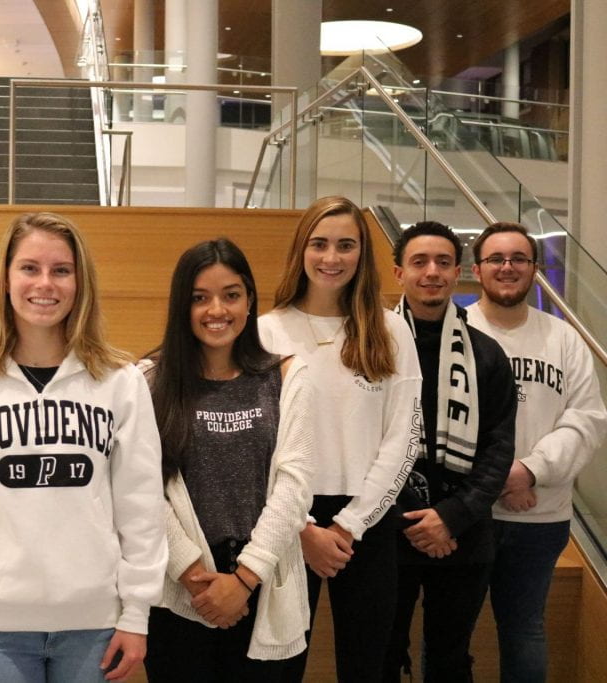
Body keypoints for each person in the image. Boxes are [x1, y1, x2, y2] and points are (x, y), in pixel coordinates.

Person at [0, 211, 167, 683]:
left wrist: (136, 613)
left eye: (61, 270)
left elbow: (141, 507)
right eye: (29, 268)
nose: (45, 284)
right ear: (6, 278)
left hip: (94, 621)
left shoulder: (121, 382)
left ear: (80, 281)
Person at [257, 195, 422, 681]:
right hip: (287, 522)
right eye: (320, 244)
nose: (332, 258)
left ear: (362, 255)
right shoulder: (267, 331)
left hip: (366, 525)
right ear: (301, 250)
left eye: (346, 245)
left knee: (367, 664)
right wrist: (303, 527)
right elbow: (260, 441)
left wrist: (349, 525)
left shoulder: (391, 330)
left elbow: (404, 437)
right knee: (279, 665)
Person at [140, 238, 315, 682]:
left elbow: (294, 490)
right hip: (181, 590)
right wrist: (196, 576)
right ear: (182, 305)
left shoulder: (288, 376)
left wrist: (242, 581)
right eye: (200, 298)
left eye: (231, 295)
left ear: (250, 300)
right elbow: (138, 489)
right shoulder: (147, 380)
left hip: (265, 580)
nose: (217, 310)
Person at [466, 221, 607, 683]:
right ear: (477, 268)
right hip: (464, 514)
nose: (507, 268)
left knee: (525, 631)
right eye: (496, 259)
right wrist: (489, 481)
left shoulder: (564, 339)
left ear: (535, 269)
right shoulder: (455, 331)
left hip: (540, 516)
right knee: (448, 635)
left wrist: (528, 471)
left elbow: (586, 419)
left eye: (519, 259)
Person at [380, 222, 516, 682]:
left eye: (443, 262)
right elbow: (356, 446)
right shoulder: (372, 349)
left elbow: (499, 450)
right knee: (381, 656)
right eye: (419, 262)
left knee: (451, 660)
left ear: (459, 273)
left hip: (465, 534)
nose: (432, 272)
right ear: (399, 272)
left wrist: (452, 517)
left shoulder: (488, 355)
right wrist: (410, 520)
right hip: (387, 532)